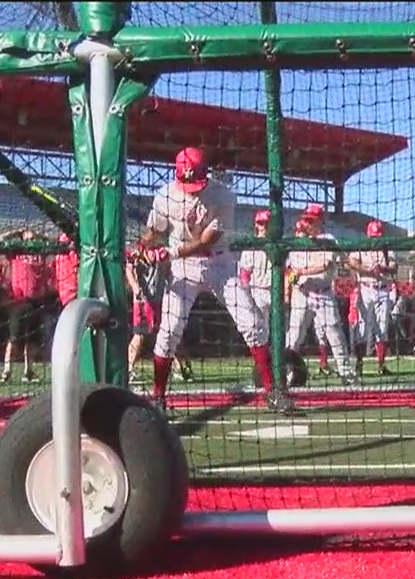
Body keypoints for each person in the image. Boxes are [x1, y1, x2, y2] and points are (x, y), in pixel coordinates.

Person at [138, 147, 293, 415]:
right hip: (183, 268)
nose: (193, 191)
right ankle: (158, 398)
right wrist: (141, 248)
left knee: (253, 323)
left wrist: (169, 251)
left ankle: (273, 392)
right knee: (170, 330)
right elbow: (154, 232)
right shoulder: (165, 195)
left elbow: (209, 238)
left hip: (219, 262)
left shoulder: (223, 195)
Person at [284, 204, 355, 383]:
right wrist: (289, 285)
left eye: (311, 221)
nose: (307, 223)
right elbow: (289, 270)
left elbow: (325, 265)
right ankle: (287, 371)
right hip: (302, 293)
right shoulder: (297, 242)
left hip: (323, 292)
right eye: (305, 220)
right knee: (294, 335)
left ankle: (346, 373)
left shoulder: (327, 239)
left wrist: (301, 273)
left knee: (334, 333)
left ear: (319, 222)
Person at [125, 236, 192, 384]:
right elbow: (129, 270)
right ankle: (129, 369)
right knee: (140, 335)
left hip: (162, 300)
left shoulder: (163, 251)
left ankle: (181, 367)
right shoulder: (137, 252)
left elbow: (169, 270)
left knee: (170, 333)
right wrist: (136, 288)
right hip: (143, 301)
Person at [0, 229, 55, 384]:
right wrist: (17, 232)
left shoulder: (41, 253)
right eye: (28, 239)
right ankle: (6, 371)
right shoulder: (16, 252)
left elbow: (51, 240)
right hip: (20, 301)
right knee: (14, 337)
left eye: (33, 238)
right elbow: (1, 237)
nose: (31, 241)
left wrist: (39, 235)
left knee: (33, 340)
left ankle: (28, 372)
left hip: (37, 301)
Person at [345, 220, 397, 376]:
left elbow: (395, 267)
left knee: (382, 328)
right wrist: (367, 270)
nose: (376, 240)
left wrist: (383, 268)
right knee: (362, 327)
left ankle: (381, 365)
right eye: (373, 237)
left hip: (382, 289)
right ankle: (359, 365)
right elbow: (351, 262)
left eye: (378, 236)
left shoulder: (387, 249)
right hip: (366, 288)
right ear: (368, 235)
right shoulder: (361, 246)